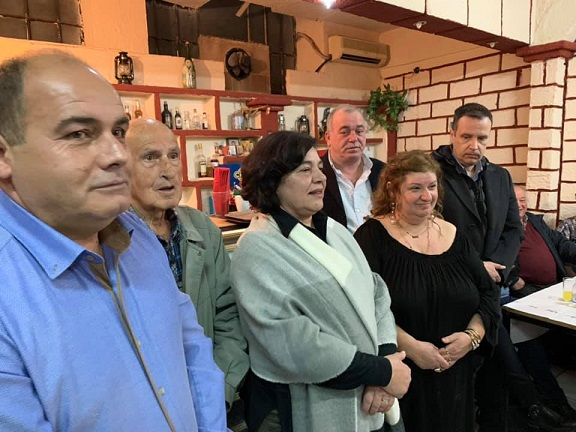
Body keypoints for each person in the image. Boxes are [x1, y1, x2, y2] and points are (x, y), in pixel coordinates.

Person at [0, 52, 226, 431]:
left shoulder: (136, 236)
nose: (118, 155)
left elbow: (192, 350)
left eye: (118, 132)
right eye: (78, 134)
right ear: (4, 155)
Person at [231, 131, 411, 432]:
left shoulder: (334, 231)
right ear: (271, 181)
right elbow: (292, 342)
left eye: (319, 167)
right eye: (305, 170)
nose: (320, 177)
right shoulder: (257, 248)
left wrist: (384, 357)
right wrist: (381, 371)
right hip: (303, 404)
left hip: (370, 393)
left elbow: (376, 293)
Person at [432, 102, 567, 432]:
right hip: (451, 283)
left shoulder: (500, 176)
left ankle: (516, 413)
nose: (474, 145)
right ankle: (535, 406)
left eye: (482, 138)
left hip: (494, 283)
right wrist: (477, 267)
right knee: (468, 365)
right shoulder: (432, 172)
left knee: (494, 367)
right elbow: (429, 229)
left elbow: (512, 230)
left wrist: (501, 270)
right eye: (466, 136)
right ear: (452, 133)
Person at [354, 150, 500, 432]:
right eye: (415, 188)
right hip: (402, 373)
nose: (427, 196)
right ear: (393, 190)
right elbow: (364, 308)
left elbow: (488, 293)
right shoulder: (371, 236)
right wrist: (412, 348)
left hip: (456, 371)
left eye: (432, 186)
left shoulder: (453, 233)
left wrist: (471, 338)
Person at [126, 118, 249, 411]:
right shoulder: (106, 239)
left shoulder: (203, 228)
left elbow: (228, 317)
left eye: (173, 155)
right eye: (150, 157)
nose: (167, 169)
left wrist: (216, 392)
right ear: (121, 168)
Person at [503, 185, 576, 425]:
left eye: (523, 200)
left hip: (553, 289)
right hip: (525, 295)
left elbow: (562, 244)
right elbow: (494, 258)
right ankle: (554, 401)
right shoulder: (501, 226)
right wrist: (513, 280)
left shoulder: (535, 221)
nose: (520, 204)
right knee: (528, 339)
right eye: (515, 200)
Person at [321, 104, 385, 232]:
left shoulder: (383, 171)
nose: (353, 138)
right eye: (344, 132)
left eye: (359, 131)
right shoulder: (315, 174)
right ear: (328, 137)